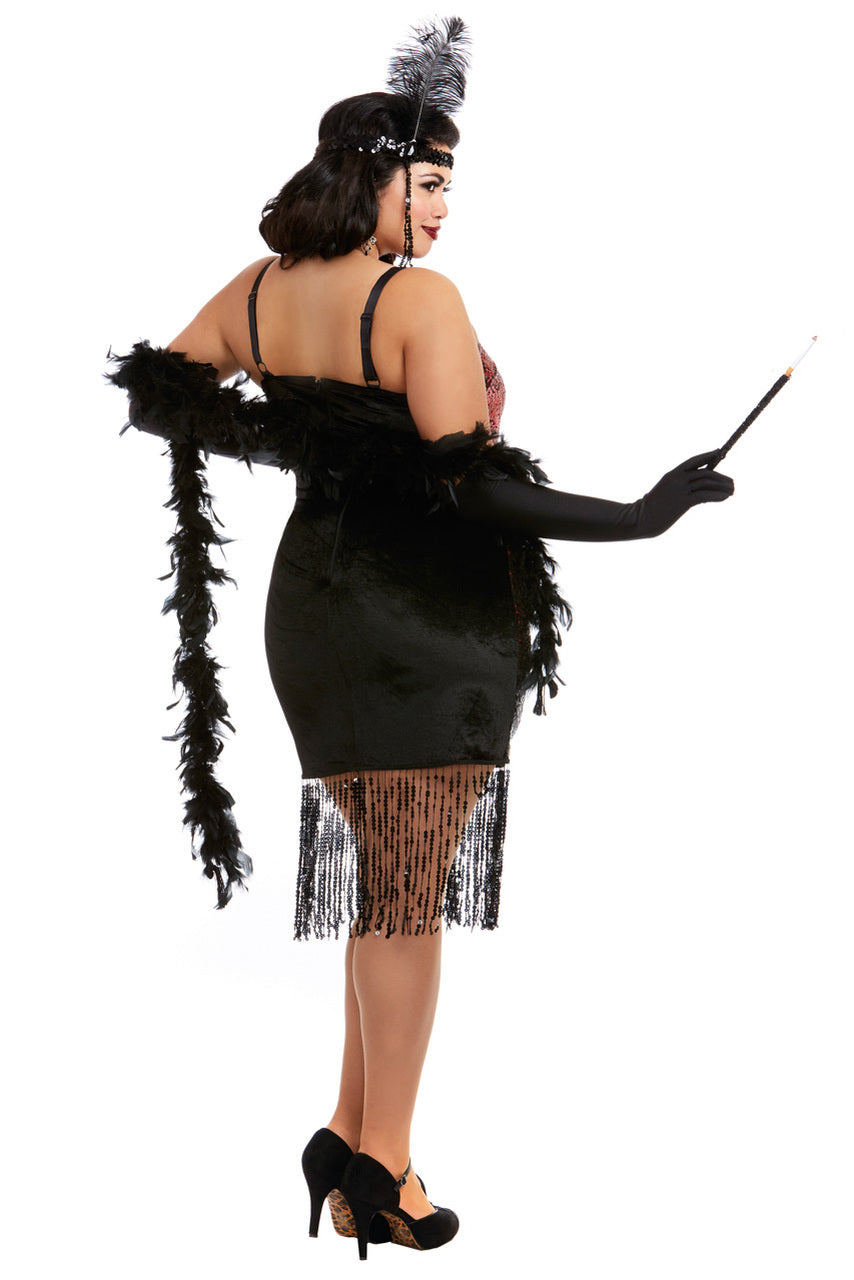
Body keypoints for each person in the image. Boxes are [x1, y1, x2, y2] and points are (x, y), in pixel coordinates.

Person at [108, 18, 734, 1260]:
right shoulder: (416, 299)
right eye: (429, 180)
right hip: (419, 620)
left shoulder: (257, 291)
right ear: (373, 174)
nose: (444, 207)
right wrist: (639, 514)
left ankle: (348, 1132)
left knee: (386, 879)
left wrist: (305, 439)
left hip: (312, 611)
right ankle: (385, 1164)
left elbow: (159, 390)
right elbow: (471, 485)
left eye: (450, 184)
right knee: (406, 894)